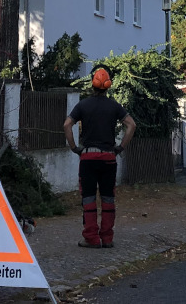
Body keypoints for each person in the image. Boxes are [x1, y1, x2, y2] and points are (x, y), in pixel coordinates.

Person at [63, 66, 136, 249]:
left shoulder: (83, 105)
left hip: (88, 158)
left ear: (92, 85)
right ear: (108, 86)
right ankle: (107, 238)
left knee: (88, 198)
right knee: (108, 198)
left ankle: (91, 238)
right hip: (109, 158)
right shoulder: (114, 106)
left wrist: (74, 147)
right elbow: (131, 125)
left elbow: (67, 125)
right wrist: (120, 147)